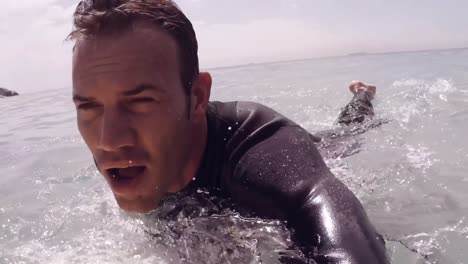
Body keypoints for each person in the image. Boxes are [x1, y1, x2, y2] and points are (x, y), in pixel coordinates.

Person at [69, 0, 389, 263]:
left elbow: (351, 247)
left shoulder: (264, 153)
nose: (108, 140)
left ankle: (362, 96)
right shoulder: (132, 157)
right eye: (89, 107)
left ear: (197, 97)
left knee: (348, 133)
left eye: (140, 102)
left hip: (315, 153)